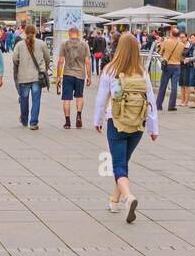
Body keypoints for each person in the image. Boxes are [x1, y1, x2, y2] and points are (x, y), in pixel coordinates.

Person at [93, 33, 158, 224]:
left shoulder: (110, 70)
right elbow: (151, 102)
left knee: (118, 164)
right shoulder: (142, 72)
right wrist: (153, 128)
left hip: (117, 123)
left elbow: (100, 100)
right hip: (137, 124)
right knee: (123, 162)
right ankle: (115, 201)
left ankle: (128, 198)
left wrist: (97, 120)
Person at [12, 24, 51, 129]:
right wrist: (44, 69)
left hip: (23, 76)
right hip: (37, 77)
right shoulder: (41, 44)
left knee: (24, 100)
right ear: (35, 32)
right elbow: (47, 58)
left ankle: (24, 120)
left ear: (25, 32)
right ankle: (33, 122)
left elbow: (15, 59)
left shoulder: (19, 45)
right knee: (36, 100)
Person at [56, 25, 92, 129]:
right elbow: (88, 62)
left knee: (66, 98)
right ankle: (79, 116)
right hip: (80, 75)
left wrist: (58, 76)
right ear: (78, 34)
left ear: (69, 33)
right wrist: (89, 76)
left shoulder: (64, 44)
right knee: (79, 96)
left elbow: (61, 61)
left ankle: (67, 122)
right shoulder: (84, 44)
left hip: (67, 74)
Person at [155, 25, 186, 112]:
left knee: (163, 86)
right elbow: (181, 56)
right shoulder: (181, 44)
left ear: (171, 34)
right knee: (174, 86)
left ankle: (158, 105)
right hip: (177, 66)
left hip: (167, 66)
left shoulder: (166, 42)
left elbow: (160, 53)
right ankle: (171, 105)